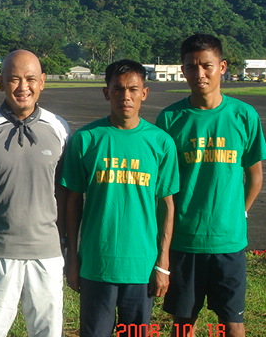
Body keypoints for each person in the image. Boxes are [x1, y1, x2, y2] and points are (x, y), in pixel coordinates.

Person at [157, 34, 266, 337]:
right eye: (191, 67)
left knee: (232, 323)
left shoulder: (243, 115)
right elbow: (162, 187)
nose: (200, 74)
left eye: (206, 66)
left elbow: (255, 176)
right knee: (182, 323)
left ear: (222, 67)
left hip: (228, 243)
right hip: (185, 241)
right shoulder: (170, 119)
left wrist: (239, 212)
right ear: (183, 71)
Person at [61, 59, 179, 337]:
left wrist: (163, 263)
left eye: (133, 89)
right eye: (118, 89)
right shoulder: (87, 139)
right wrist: (73, 258)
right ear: (107, 93)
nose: (125, 96)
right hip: (96, 264)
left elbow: (166, 206)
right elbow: (72, 202)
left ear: (144, 93)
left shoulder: (161, 142)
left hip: (141, 266)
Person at [0, 49, 69, 337]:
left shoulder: (59, 128)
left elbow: (66, 192)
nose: (23, 87)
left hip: (47, 253)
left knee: (48, 332)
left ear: (42, 81)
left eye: (30, 79)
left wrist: (67, 244)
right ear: (0, 82)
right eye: (14, 79)